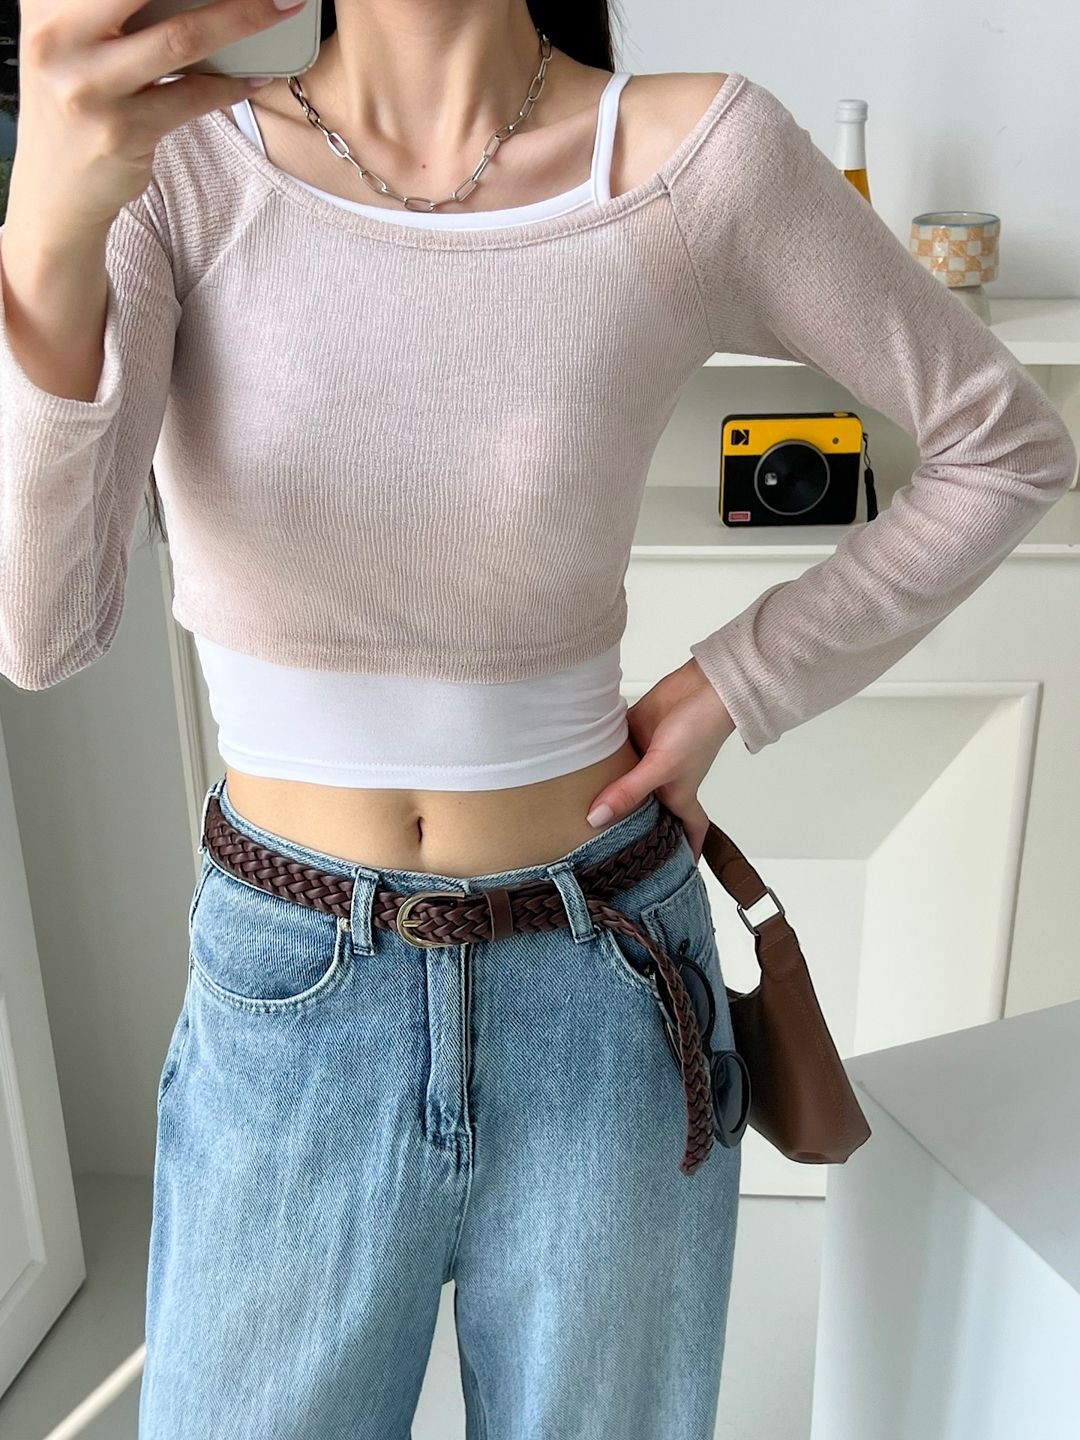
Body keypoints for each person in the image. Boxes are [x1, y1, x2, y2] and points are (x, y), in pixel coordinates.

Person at [0, 1, 1074, 1436]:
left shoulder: (697, 160)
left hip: (607, 983)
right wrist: (49, 221)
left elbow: (1005, 444)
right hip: (290, 994)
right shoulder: (180, 168)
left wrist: (738, 681)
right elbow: (43, 630)